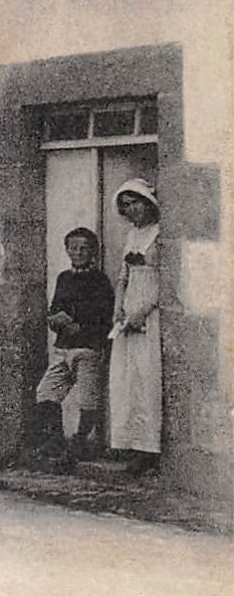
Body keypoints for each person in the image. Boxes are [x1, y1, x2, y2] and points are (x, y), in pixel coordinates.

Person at [29, 227, 114, 463]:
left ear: (94, 252)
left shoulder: (99, 281)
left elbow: (104, 317)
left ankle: (80, 441)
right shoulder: (64, 278)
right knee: (46, 391)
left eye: (84, 248)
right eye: (73, 248)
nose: (78, 252)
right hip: (64, 347)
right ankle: (56, 439)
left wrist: (82, 326)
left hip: (87, 348)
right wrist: (55, 319)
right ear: (66, 250)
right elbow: (55, 308)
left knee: (88, 398)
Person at [109, 179, 163, 474]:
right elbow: (123, 277)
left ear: (148, 203)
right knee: (126, 378)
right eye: (126, 205)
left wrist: (142, 312)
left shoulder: (160, 234)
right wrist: (119, 308)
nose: (132, 210)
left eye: (136, 203)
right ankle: (127, 441)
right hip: (128, 312)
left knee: (146, 378)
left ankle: (149, 448)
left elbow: (163, 280)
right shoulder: (131, 235)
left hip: (149, 315)